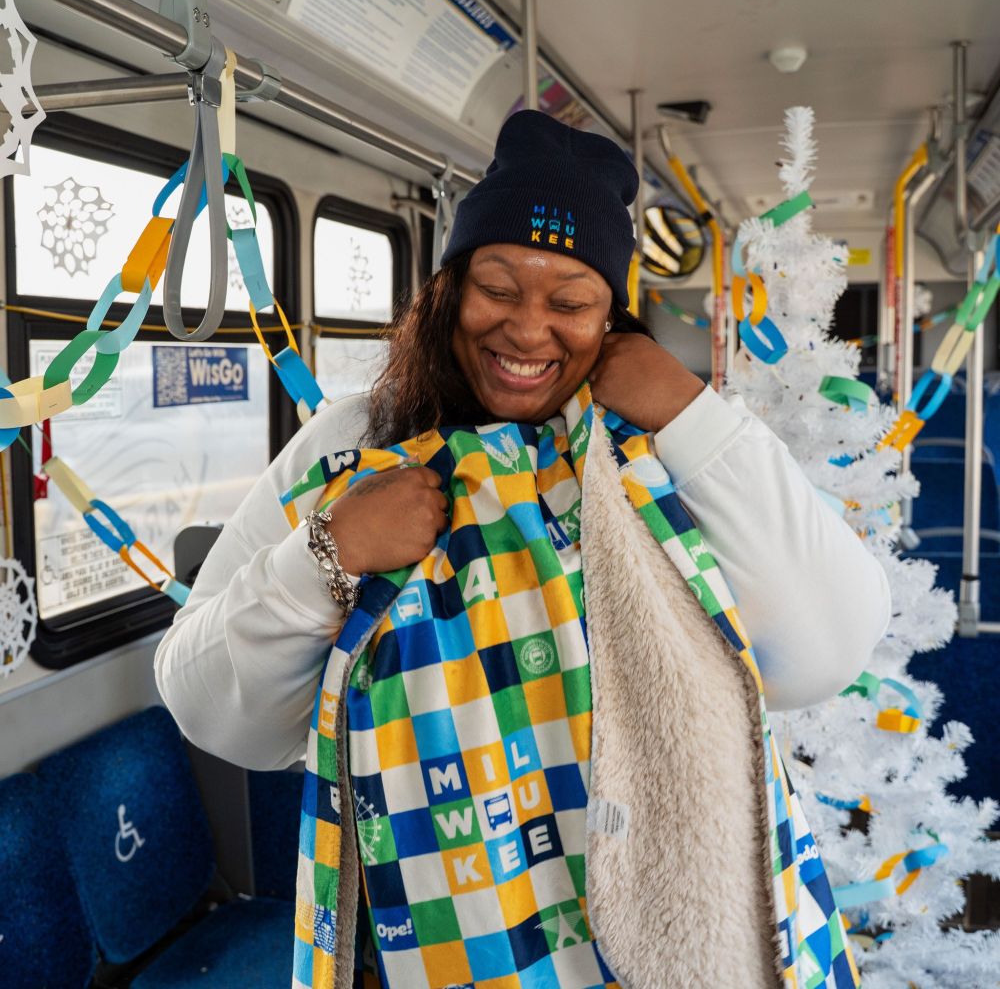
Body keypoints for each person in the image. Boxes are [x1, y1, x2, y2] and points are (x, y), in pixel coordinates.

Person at [155, 110, 889, 989]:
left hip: (663, 918)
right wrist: (325, 553)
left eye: (571, 301)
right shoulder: (352, 445)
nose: (528, 331)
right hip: (442, 925)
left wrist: (694, 416)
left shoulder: (663, 447)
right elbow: (211, 709)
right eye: (498, 287)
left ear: (612, 314)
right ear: (447, 290)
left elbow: (824, 653)